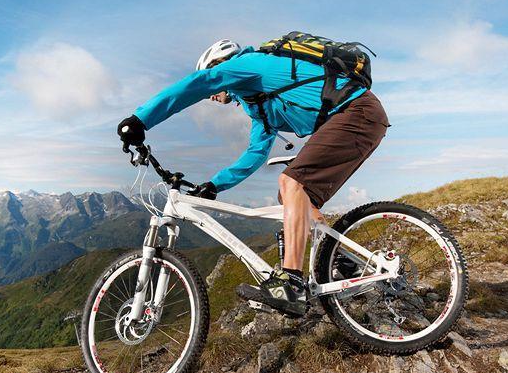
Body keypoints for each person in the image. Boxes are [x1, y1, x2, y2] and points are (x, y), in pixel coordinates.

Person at [117, 38, 389, 317]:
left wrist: (140, 119)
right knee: (292, 196)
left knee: (292, 182)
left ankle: (291, 282)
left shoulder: (249, 65)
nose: (212, 95)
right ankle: (339, 261)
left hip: (357, 113)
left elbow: (200, 82)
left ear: (221, 64)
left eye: (215, 81)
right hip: (356, 118)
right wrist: (214, 185)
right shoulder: (258, 102)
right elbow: (256, 153)